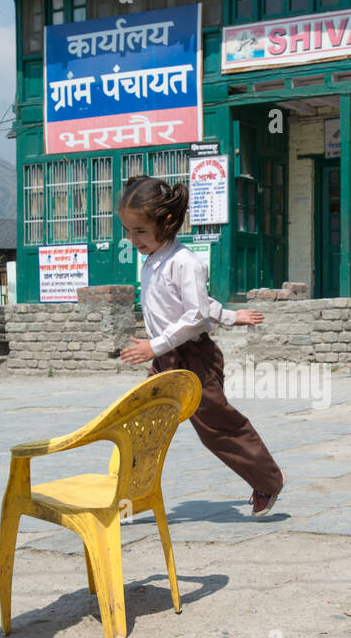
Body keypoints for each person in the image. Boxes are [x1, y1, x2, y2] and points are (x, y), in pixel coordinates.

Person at [116, 176, 285, 516]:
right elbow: (196, 304)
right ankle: (130, 496)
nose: (133, 240)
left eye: (140, 232)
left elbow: (195, 315)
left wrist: (155, 345)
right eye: (129, 231)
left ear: (167, 223)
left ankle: (267, 481)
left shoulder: (186, 262)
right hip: (165, 359)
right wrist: (229, 315)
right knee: (144, 425)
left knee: (216, 427)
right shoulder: (152, 260)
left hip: (194, 360)